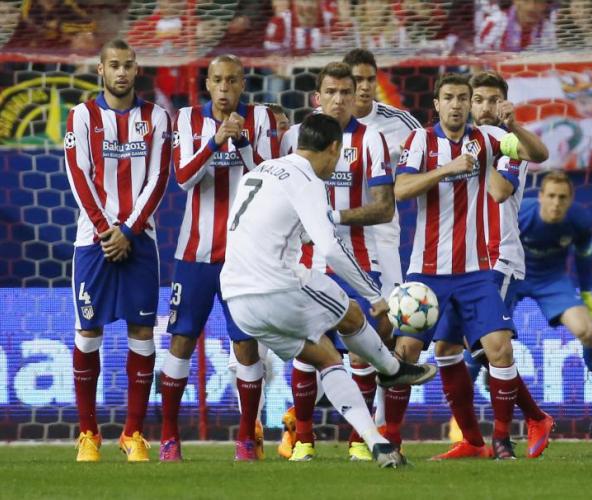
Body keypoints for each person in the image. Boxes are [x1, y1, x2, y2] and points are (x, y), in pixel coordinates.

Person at [220, 113, 437, 469]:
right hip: (277, 286)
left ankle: (378, 444)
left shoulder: (260, 171)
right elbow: (332, 249)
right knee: (352, 312)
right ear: (334, 148)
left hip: (238, 301)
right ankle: (391, 367)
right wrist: (376, 296)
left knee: (327, 359)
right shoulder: (307, 179)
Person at [388, 73, 549, 460]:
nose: (458, 104)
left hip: (478, 271)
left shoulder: (490, 139)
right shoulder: (420, 141)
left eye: (463, 97)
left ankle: (500, 440)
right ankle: (390, 441)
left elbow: (538, 154)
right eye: (451, 97)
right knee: (407, 351)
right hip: (427, 271)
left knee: (499, 350)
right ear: (437, 104)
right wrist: (446, 169)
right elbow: (401, 189)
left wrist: (514, 128)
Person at [159, 54, 279, 462]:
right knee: (181, 341)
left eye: (232, 80)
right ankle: (169, 437)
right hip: (194, 253)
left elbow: (268, 177)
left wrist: (240, 141)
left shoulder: (261, 119)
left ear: (243, 84)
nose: (225, 88)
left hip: (245, 255)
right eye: (217, 80)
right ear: (207, 84)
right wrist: (215, 141)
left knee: (246, 345)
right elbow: (183, 178)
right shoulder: (186, 119)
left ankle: (246, 437)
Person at [278, 62, 396, 462]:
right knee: (307, 350)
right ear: (318, 96)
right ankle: (304, 440)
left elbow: (384, 208)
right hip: (305, 263)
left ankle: (358, 442)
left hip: (357, 261)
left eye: (347, 91)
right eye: (331, 91)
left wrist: (334, 217)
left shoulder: (373, 139)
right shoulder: (295, 137)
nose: (339, 99)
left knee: (361, 352)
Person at [66, 39, 171, 462]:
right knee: (89, 331)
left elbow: (159, 177)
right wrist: (106, 230)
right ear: (101, 70)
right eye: (114, 65)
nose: (122, 72)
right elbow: (78, 174)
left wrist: (128, 230)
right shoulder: (82, 116)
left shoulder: (156, 117)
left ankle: (133, 434)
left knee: (142, 332)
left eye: (128, 65)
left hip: (140, 240)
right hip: (94, 242)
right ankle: (88, 433)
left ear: (136, 69)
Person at [448, 70, 552, 444]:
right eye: (478, 100)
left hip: (498, 258)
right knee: (453, 348)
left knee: (494, 349)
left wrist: (480, 154)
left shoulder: (508, 143)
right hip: (460, 260)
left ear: (504, 103)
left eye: (493, 100)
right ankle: (517, 425)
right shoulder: (453, 142)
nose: (485, 107)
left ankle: (503, 439)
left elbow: (499, 191)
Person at [512, 170, 592, 433]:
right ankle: (461, 417)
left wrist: (587, 293)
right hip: (513, 276)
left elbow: (583, 257)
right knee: (485, 339)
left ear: (570, 199)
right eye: (551, 196)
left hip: (552, 281)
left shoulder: (579, 220)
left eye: (562, 197)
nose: (556, 203)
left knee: (588, 332)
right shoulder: (520, 214)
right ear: (540, 196)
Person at [340, 48, 422, 439]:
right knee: (330, 331)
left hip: (383, 237)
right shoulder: (324, 123)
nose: (364, 87)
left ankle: (381, 422)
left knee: (386, 326)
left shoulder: (401, 123)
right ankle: (303, 425)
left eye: (370, 79)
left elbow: (426, 162)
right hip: (337, 239)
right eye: (356, 79)